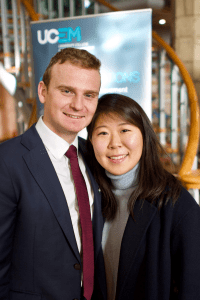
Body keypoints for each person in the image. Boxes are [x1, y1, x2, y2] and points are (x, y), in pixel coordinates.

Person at [0, 48, 104, 300]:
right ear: (43, 91)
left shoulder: (95, 156)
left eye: (89, 95)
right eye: (67, 91)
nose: (78, 105)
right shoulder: (7, 160)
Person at [87, 93, 200, 300]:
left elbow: (192, 287)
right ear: (91, 141)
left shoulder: (177, 204)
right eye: (103, 133)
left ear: (144, 135)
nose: (115, 143)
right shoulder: (89, 198)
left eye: (124, 130)